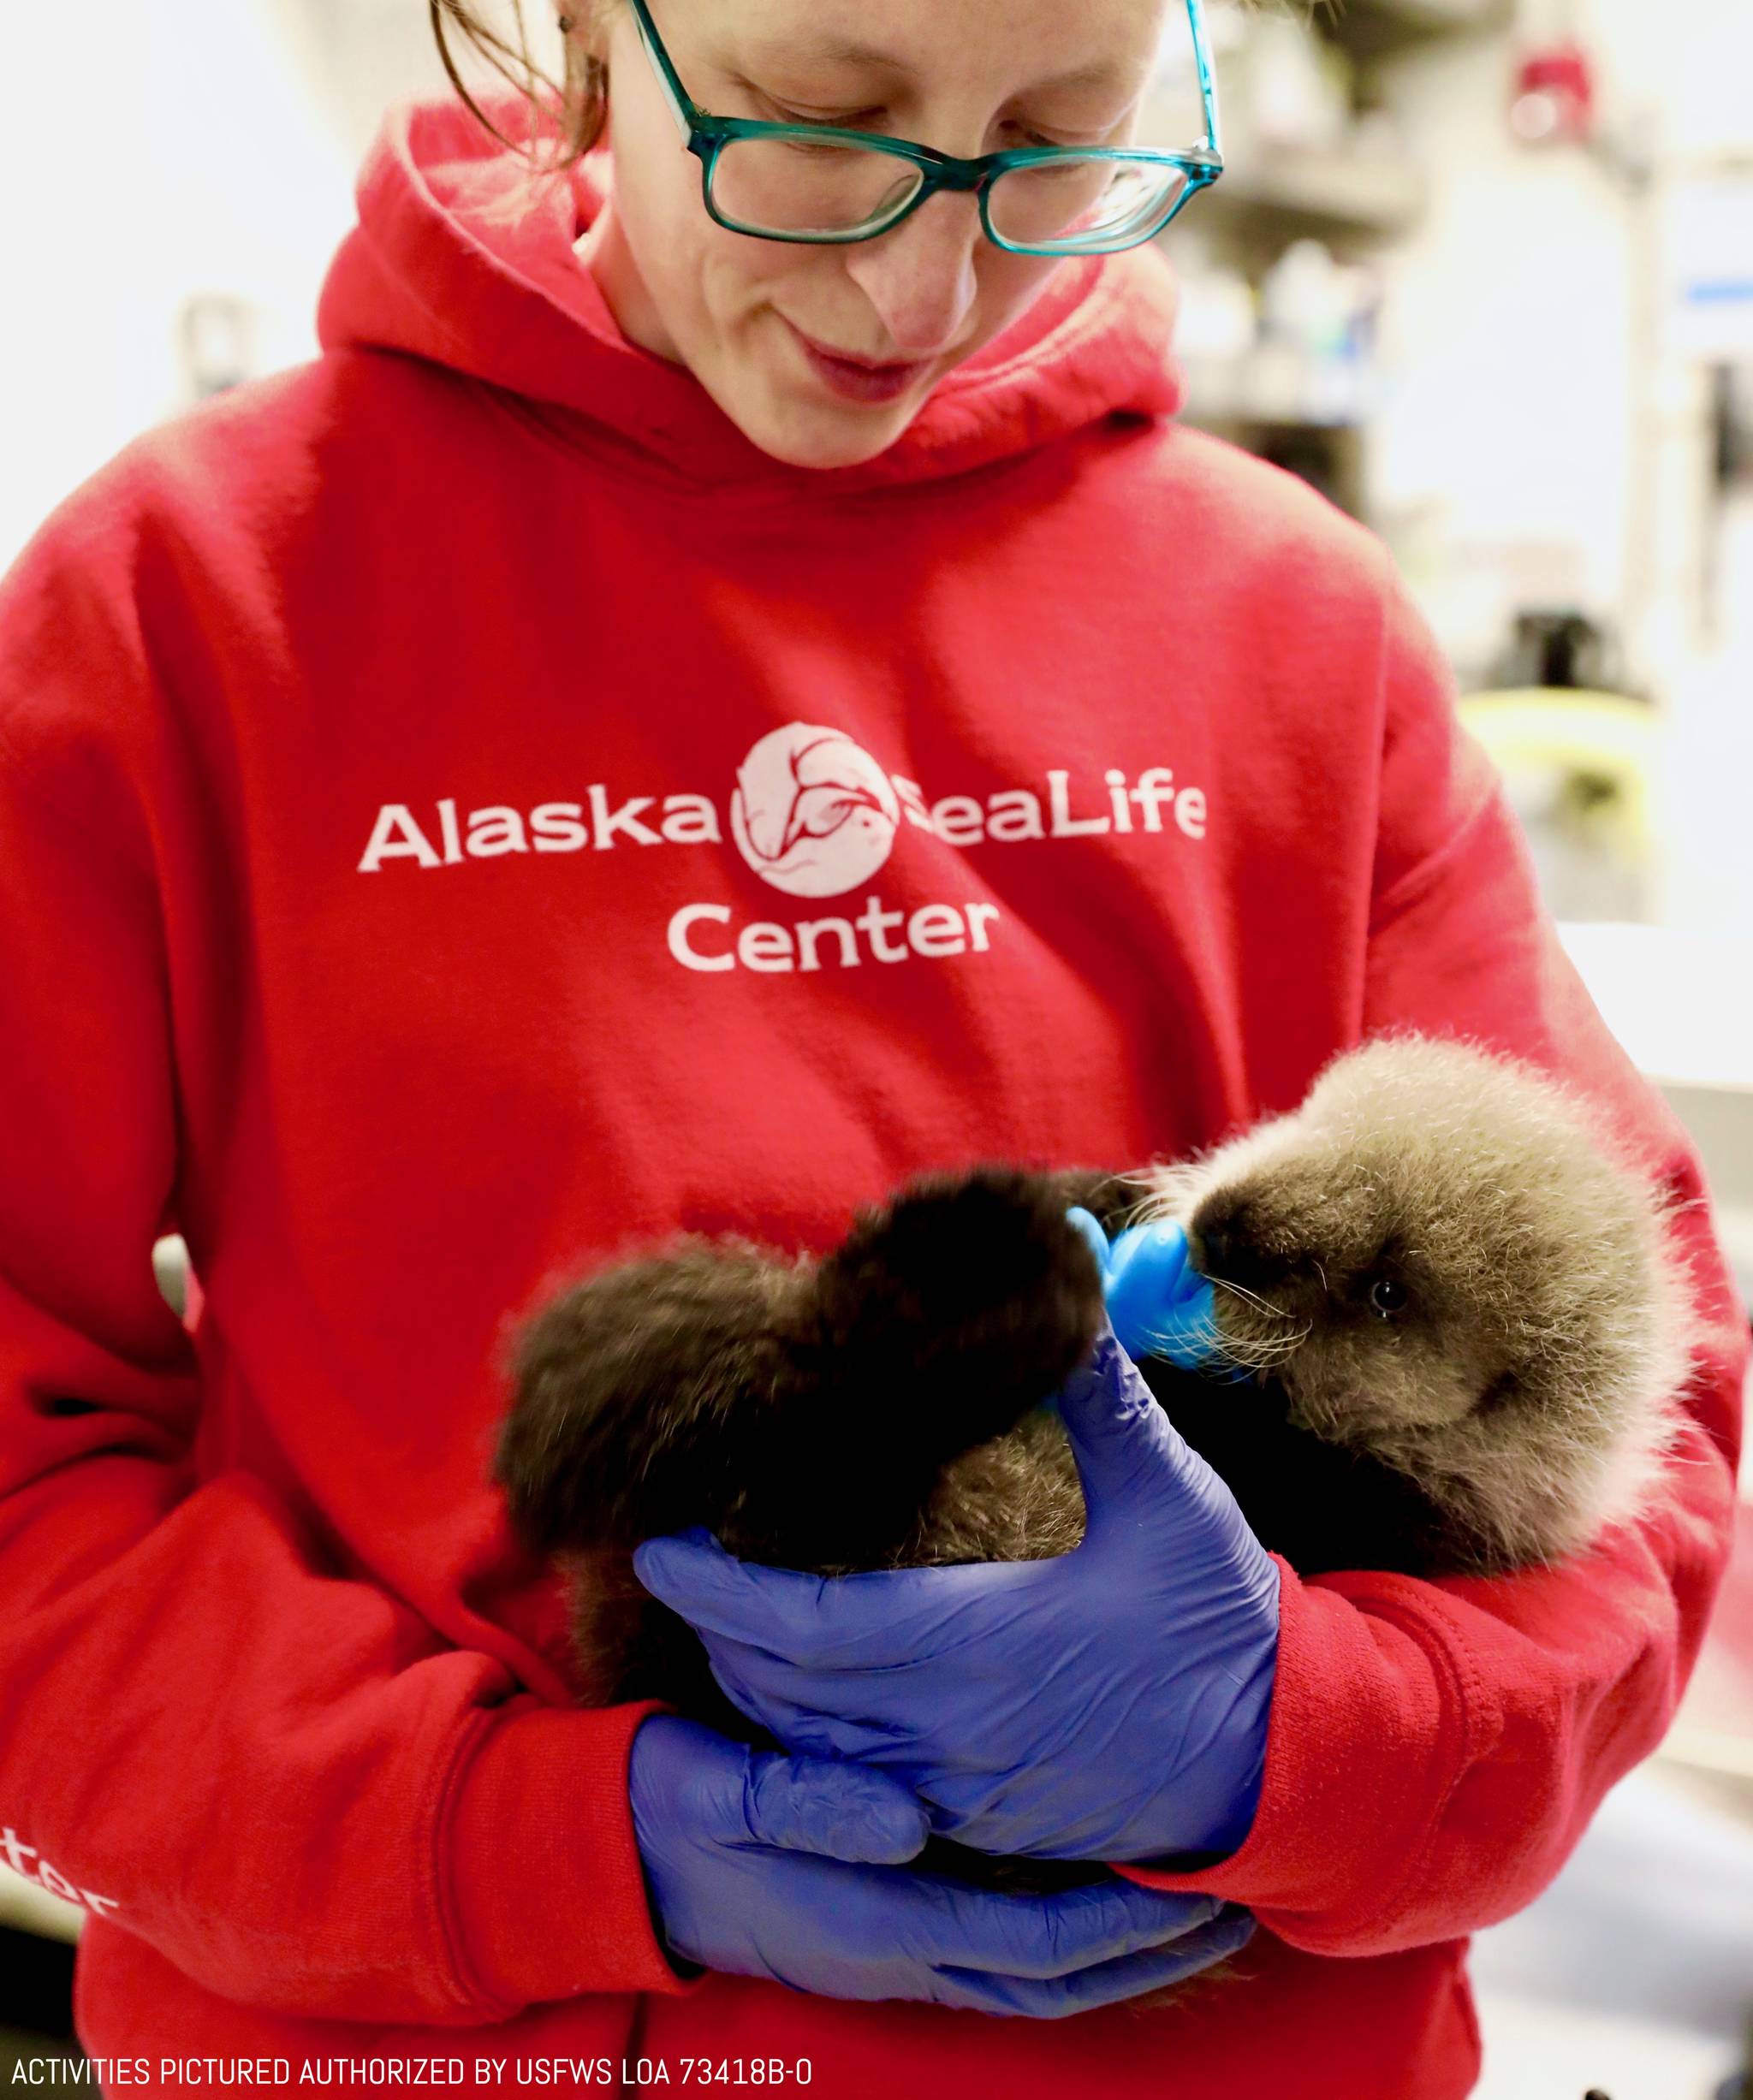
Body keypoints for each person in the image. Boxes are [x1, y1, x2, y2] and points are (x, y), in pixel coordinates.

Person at [0, 0, 1743, 2092]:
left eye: (1051, 143)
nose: (921, 287)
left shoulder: (1300, 633)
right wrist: (530, 1837)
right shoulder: (182, 607)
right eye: (820, 124)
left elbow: (1647, 1418)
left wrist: (1311, 1734)